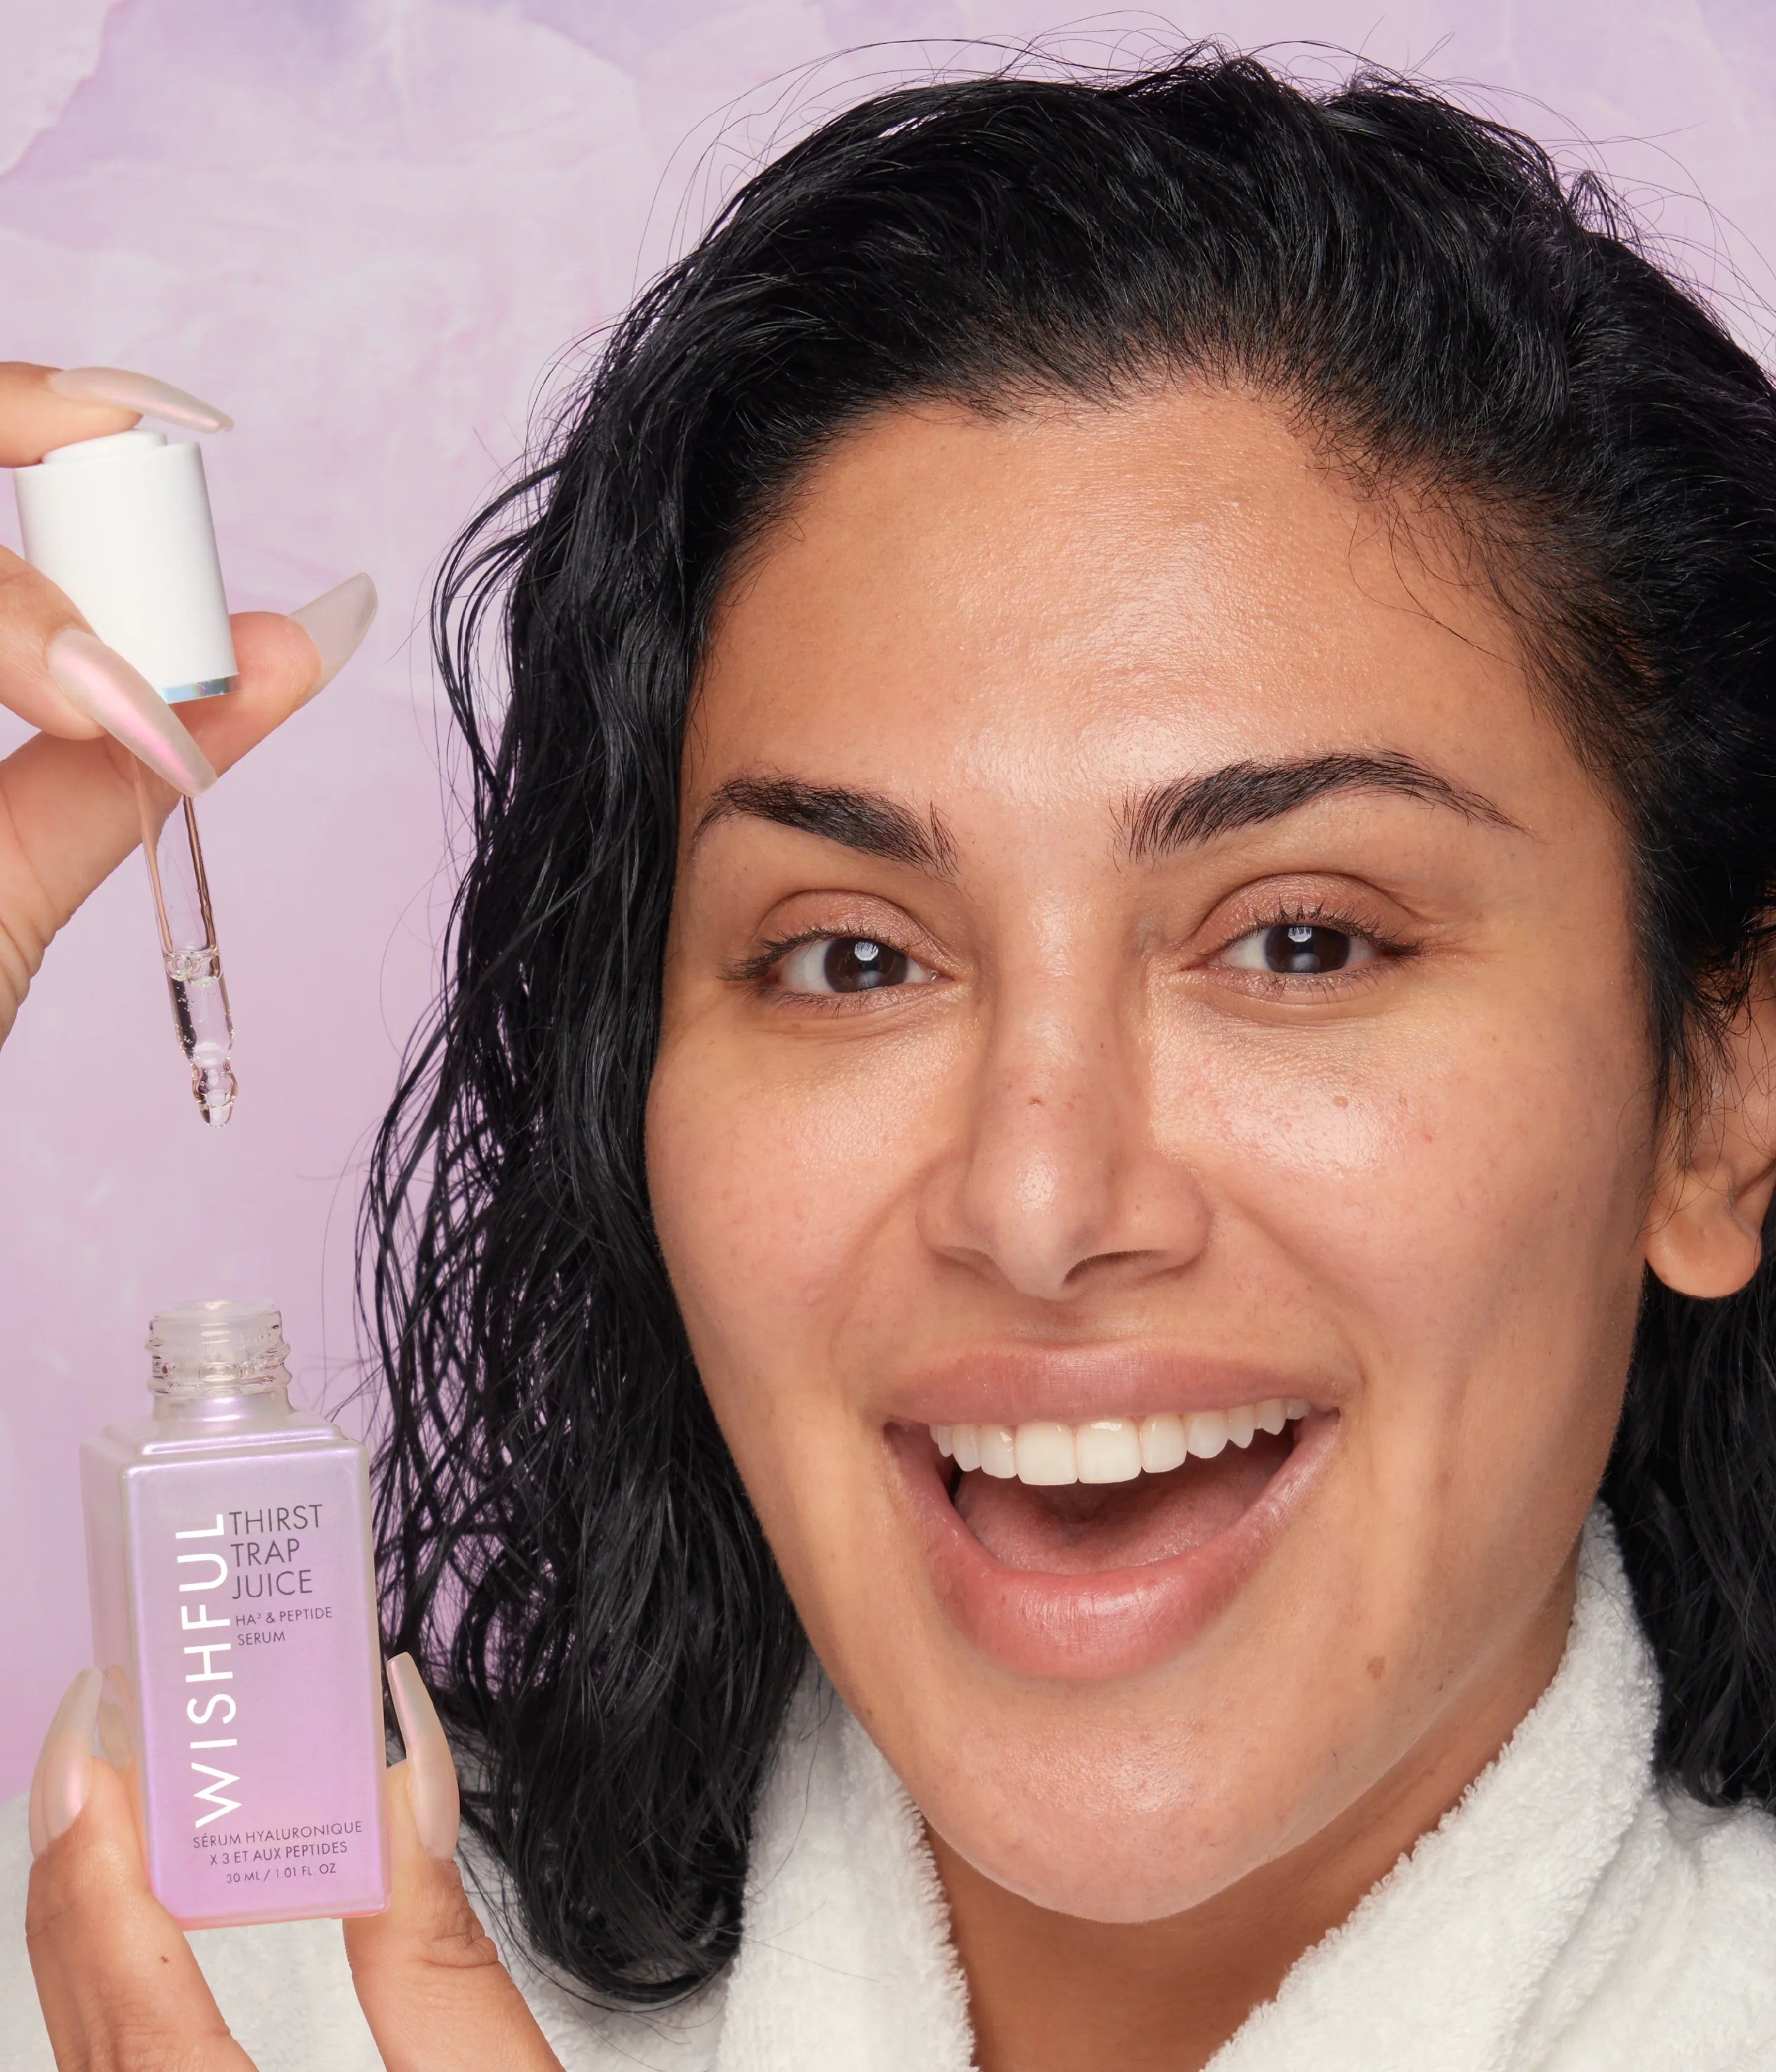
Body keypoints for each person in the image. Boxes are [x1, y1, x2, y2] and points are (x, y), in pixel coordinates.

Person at [10, 44, 1776, 2072]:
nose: (1038, 1203)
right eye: (852, 958)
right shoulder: (198, 2000)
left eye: (1299, 939)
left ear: (1718, 1093)